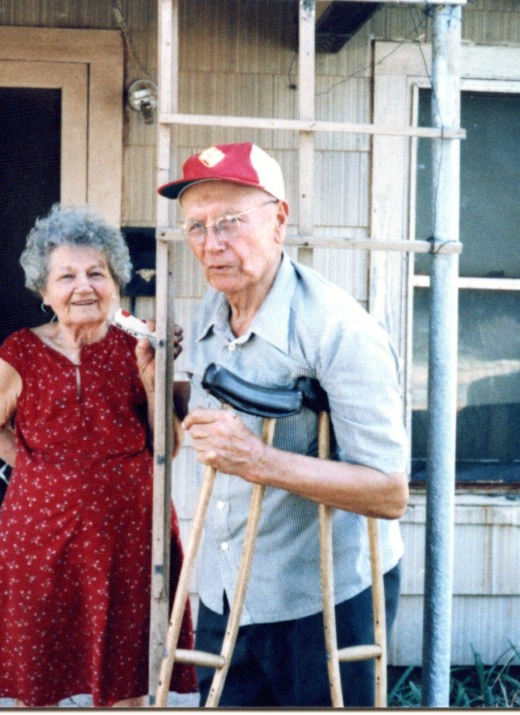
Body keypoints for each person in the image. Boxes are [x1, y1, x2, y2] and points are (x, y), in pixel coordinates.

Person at [157, 142, 410, 707]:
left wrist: (261, 462)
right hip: (229, 585)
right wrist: (158, 383)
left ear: (279, 220)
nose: (211, 244)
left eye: (229, 222)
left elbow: (390, 492)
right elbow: (198, 420)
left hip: (321, 597)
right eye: (195, 227)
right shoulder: (210, 311)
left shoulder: (339, 330)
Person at [0, 205, 197, 708]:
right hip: (38, 532)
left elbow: (171, 447)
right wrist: (38, 476)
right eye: (66, 276)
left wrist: (155, 374)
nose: (83, 286)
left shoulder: (141, 347)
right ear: (44, 290)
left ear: (115, 281)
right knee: (38, 665)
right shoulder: (21, 351)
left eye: (97, 273)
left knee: (125, 673)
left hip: (128, 534)